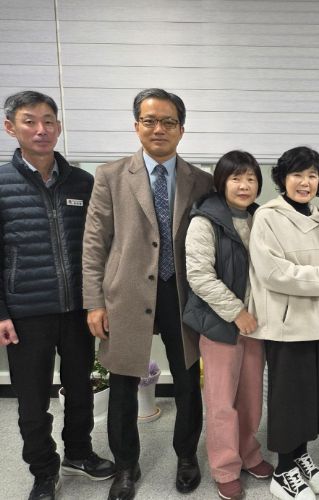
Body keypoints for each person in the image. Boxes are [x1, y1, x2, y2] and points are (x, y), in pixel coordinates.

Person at [82, 88, 213, 500]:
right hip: (126, 293)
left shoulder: (202, 181)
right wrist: (94, 302)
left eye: (169, 121)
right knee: (123, 382)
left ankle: (187, 456)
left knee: (188, 379)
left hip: (181, 294)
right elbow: (94, 243)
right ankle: (126, 465)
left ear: (181, 129)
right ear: (136, 125)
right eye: (150, 120)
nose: (159, 129)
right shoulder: (111, 175)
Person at [0, 90, 115, 500]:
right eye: (30, 121)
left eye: (49, 121)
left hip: (78, 308)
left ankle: (79, 453)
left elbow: (99, 246)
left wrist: (99, 300)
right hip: (26, 311)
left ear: (59, 127)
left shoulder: (82, 182)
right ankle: (43, 470)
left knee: (81, 387)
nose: (41, 129)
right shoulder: (2, 183)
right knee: (32, 401)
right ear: (10, 127)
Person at [248, 146, 319, 500]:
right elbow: (272, 272)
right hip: (286, 324)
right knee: (288, 398)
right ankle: (283, 470)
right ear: (282, 179)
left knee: (311, 396)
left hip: (317, 321)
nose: (305, 182)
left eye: (312, 175)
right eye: (297, 174)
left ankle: (300, 455)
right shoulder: (268, 216)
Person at [184, 150, 273, 500]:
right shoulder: (205, 220)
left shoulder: (261, 218)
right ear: (221, 182)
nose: (244, 185)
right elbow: (199, 276)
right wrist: (237, 312)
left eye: (251, 178)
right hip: (221, 324)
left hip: (256, 325)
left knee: (251, 396)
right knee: (221, 401)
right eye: (236, 178)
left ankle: (249, 454)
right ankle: (224, 467)